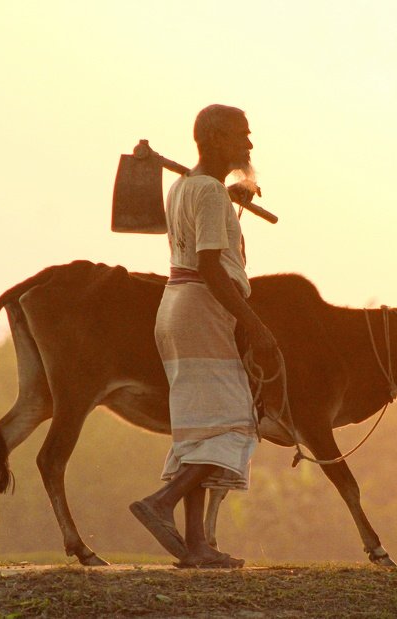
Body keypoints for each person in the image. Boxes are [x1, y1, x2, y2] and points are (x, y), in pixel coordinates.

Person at [129, 104, 278, 568]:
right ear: (214, 139)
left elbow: (205, 247)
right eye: (240, 136)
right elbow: (212, 266)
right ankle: (161, 502)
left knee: (200, 429)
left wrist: (230, 199)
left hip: (176, 308)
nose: (248, 145)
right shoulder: (208, 193)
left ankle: (196, 545)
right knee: (232, 423)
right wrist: (255, 325)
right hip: (202, 311)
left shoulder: (186, 187)